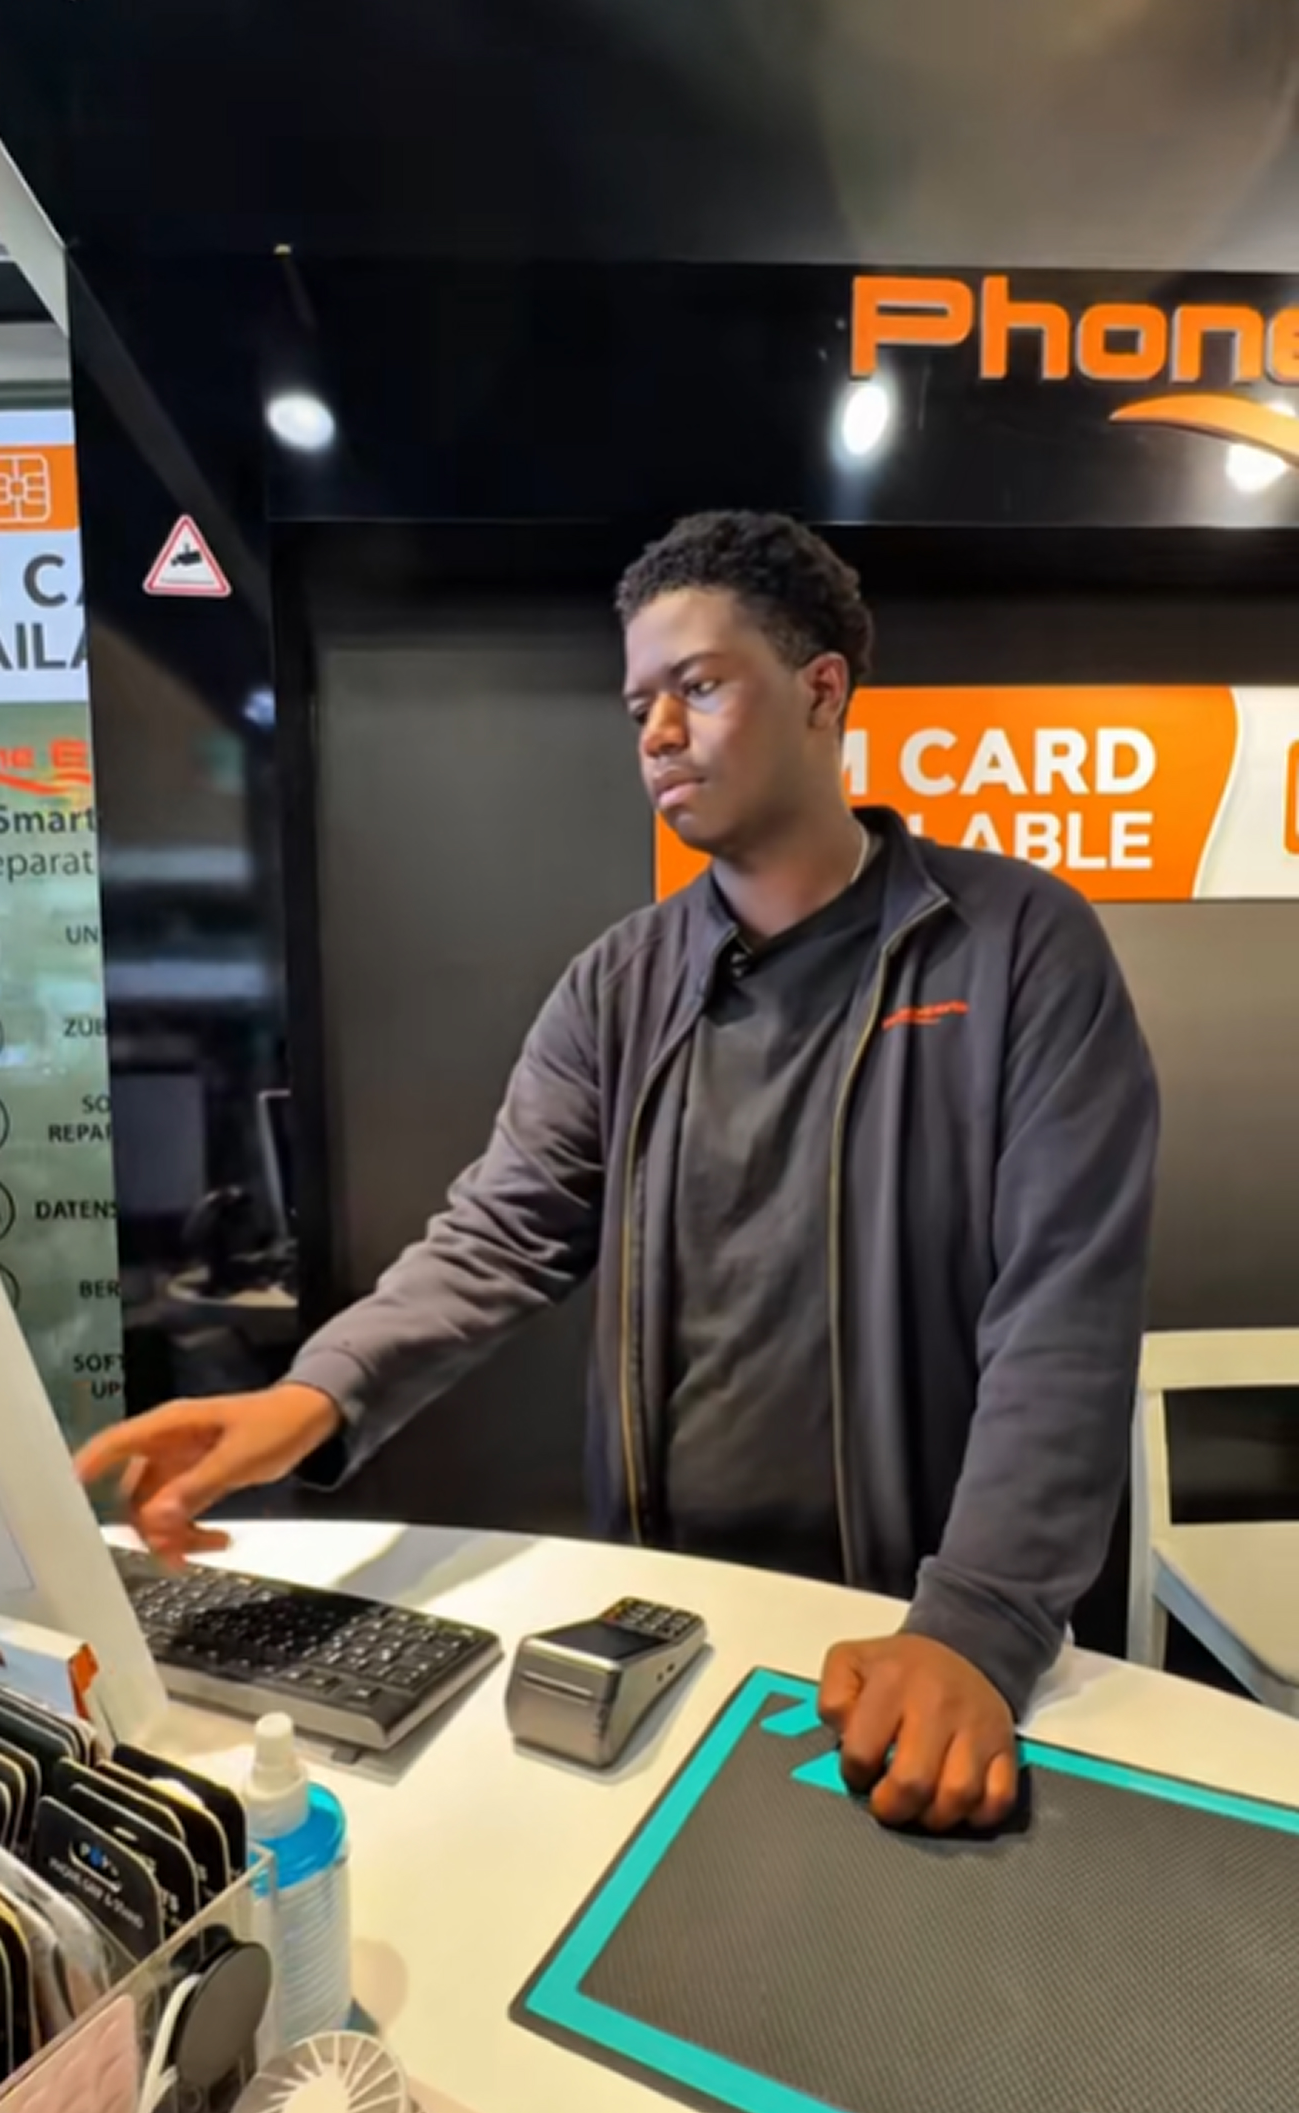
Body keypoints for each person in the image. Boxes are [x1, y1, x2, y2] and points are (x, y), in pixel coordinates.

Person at [78, 511, 1158, 1833]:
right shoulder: (620, 985)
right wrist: (308, 1397)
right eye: (641, 700)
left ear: (823, 690)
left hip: (917, 1632)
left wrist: (979, 1623)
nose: (656, 732)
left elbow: (1065, 1309)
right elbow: (497, 1231)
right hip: (679, 1622)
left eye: (698, 687)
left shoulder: (1017, 946)